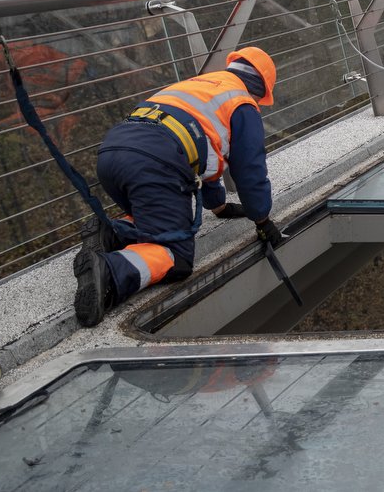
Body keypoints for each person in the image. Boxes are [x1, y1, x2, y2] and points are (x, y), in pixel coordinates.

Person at [73, 47, 284, 327]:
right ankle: (111, 271)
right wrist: (262, 218)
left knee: (158, 211)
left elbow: (206, 154)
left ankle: (111, 233)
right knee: (177, 255)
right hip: (156, 164)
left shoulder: (199, 86)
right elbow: (250, 170)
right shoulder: (243, 104)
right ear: (260, 89)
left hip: (114, 152)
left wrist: (219, 207)